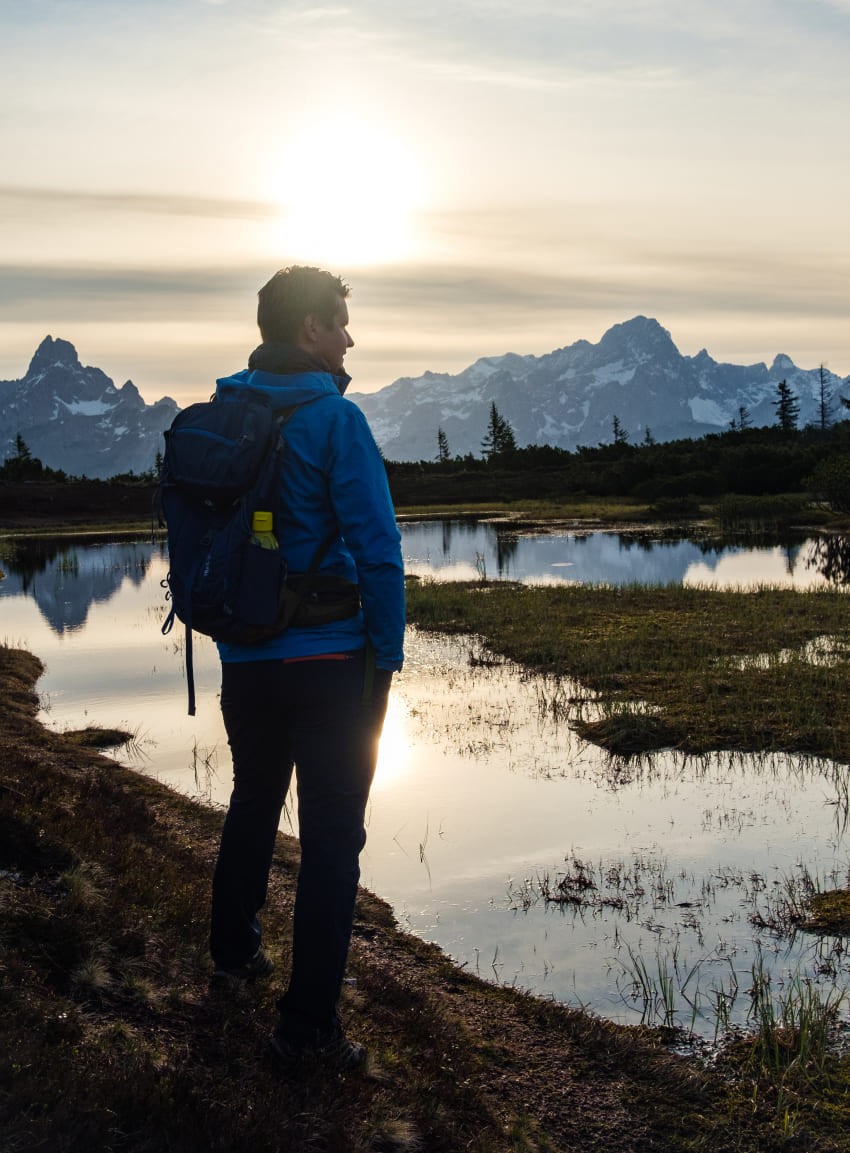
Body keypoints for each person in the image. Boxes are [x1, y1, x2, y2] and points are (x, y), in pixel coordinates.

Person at [208, 266, 405, 1071]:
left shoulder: (224, 412)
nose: (350, 337)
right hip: (330, 660)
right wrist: (386, 655)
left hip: (244, 659)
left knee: (253, 798)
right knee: (331, 838)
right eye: (340, 322)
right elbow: (377, 547)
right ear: (310, 330)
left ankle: (233, 953)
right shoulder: (335, 419)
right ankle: (307, 1027)